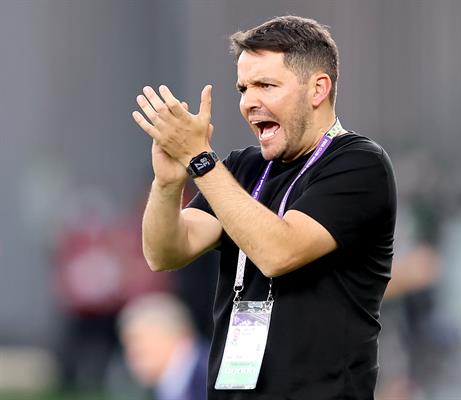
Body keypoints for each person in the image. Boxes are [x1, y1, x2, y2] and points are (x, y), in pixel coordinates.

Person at [132, 15, 396, 399]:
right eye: (243, 88)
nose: (249, 102)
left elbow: (278, 251)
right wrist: (168, 184)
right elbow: (164, 253)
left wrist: (200, 159)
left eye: (266, 86)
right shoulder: (242, 167)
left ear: (318, 89)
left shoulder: (359, 164)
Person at [118, 292, 209, 400]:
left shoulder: (213, 377)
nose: (132, 352)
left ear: (176, 334)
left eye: (138, 340)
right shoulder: (170, 386)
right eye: (127, 345)